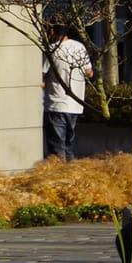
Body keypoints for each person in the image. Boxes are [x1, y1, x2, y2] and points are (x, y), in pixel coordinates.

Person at [42, 21, 94, 162]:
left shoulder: (51, 50)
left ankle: (60, 172)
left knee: (57, 149)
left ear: (52, 31)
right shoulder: (79, 47)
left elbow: (41, 74)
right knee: (68, 146)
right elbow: (89, 72)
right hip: (75, 105)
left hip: (56, 104)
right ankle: (71, 171)